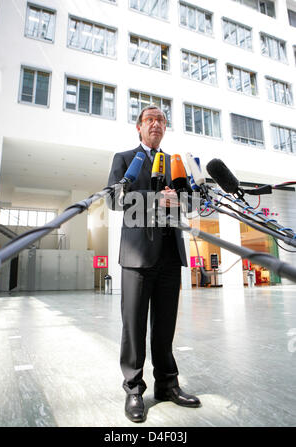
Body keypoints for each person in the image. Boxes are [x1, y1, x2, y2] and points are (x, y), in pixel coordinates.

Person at [106, 105, 201, 423]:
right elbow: (112, 200)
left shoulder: (175, 163)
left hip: (170, 255)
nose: (156, 124)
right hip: (136, 256)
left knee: (165, 327)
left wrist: (183, 200)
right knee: (133, 326)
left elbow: (191, 203)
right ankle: (134, 389)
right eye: (150, 119)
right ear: (139, 127)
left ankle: (167, 385)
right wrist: (154, 200)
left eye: (161, 120)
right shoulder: (124, 159)